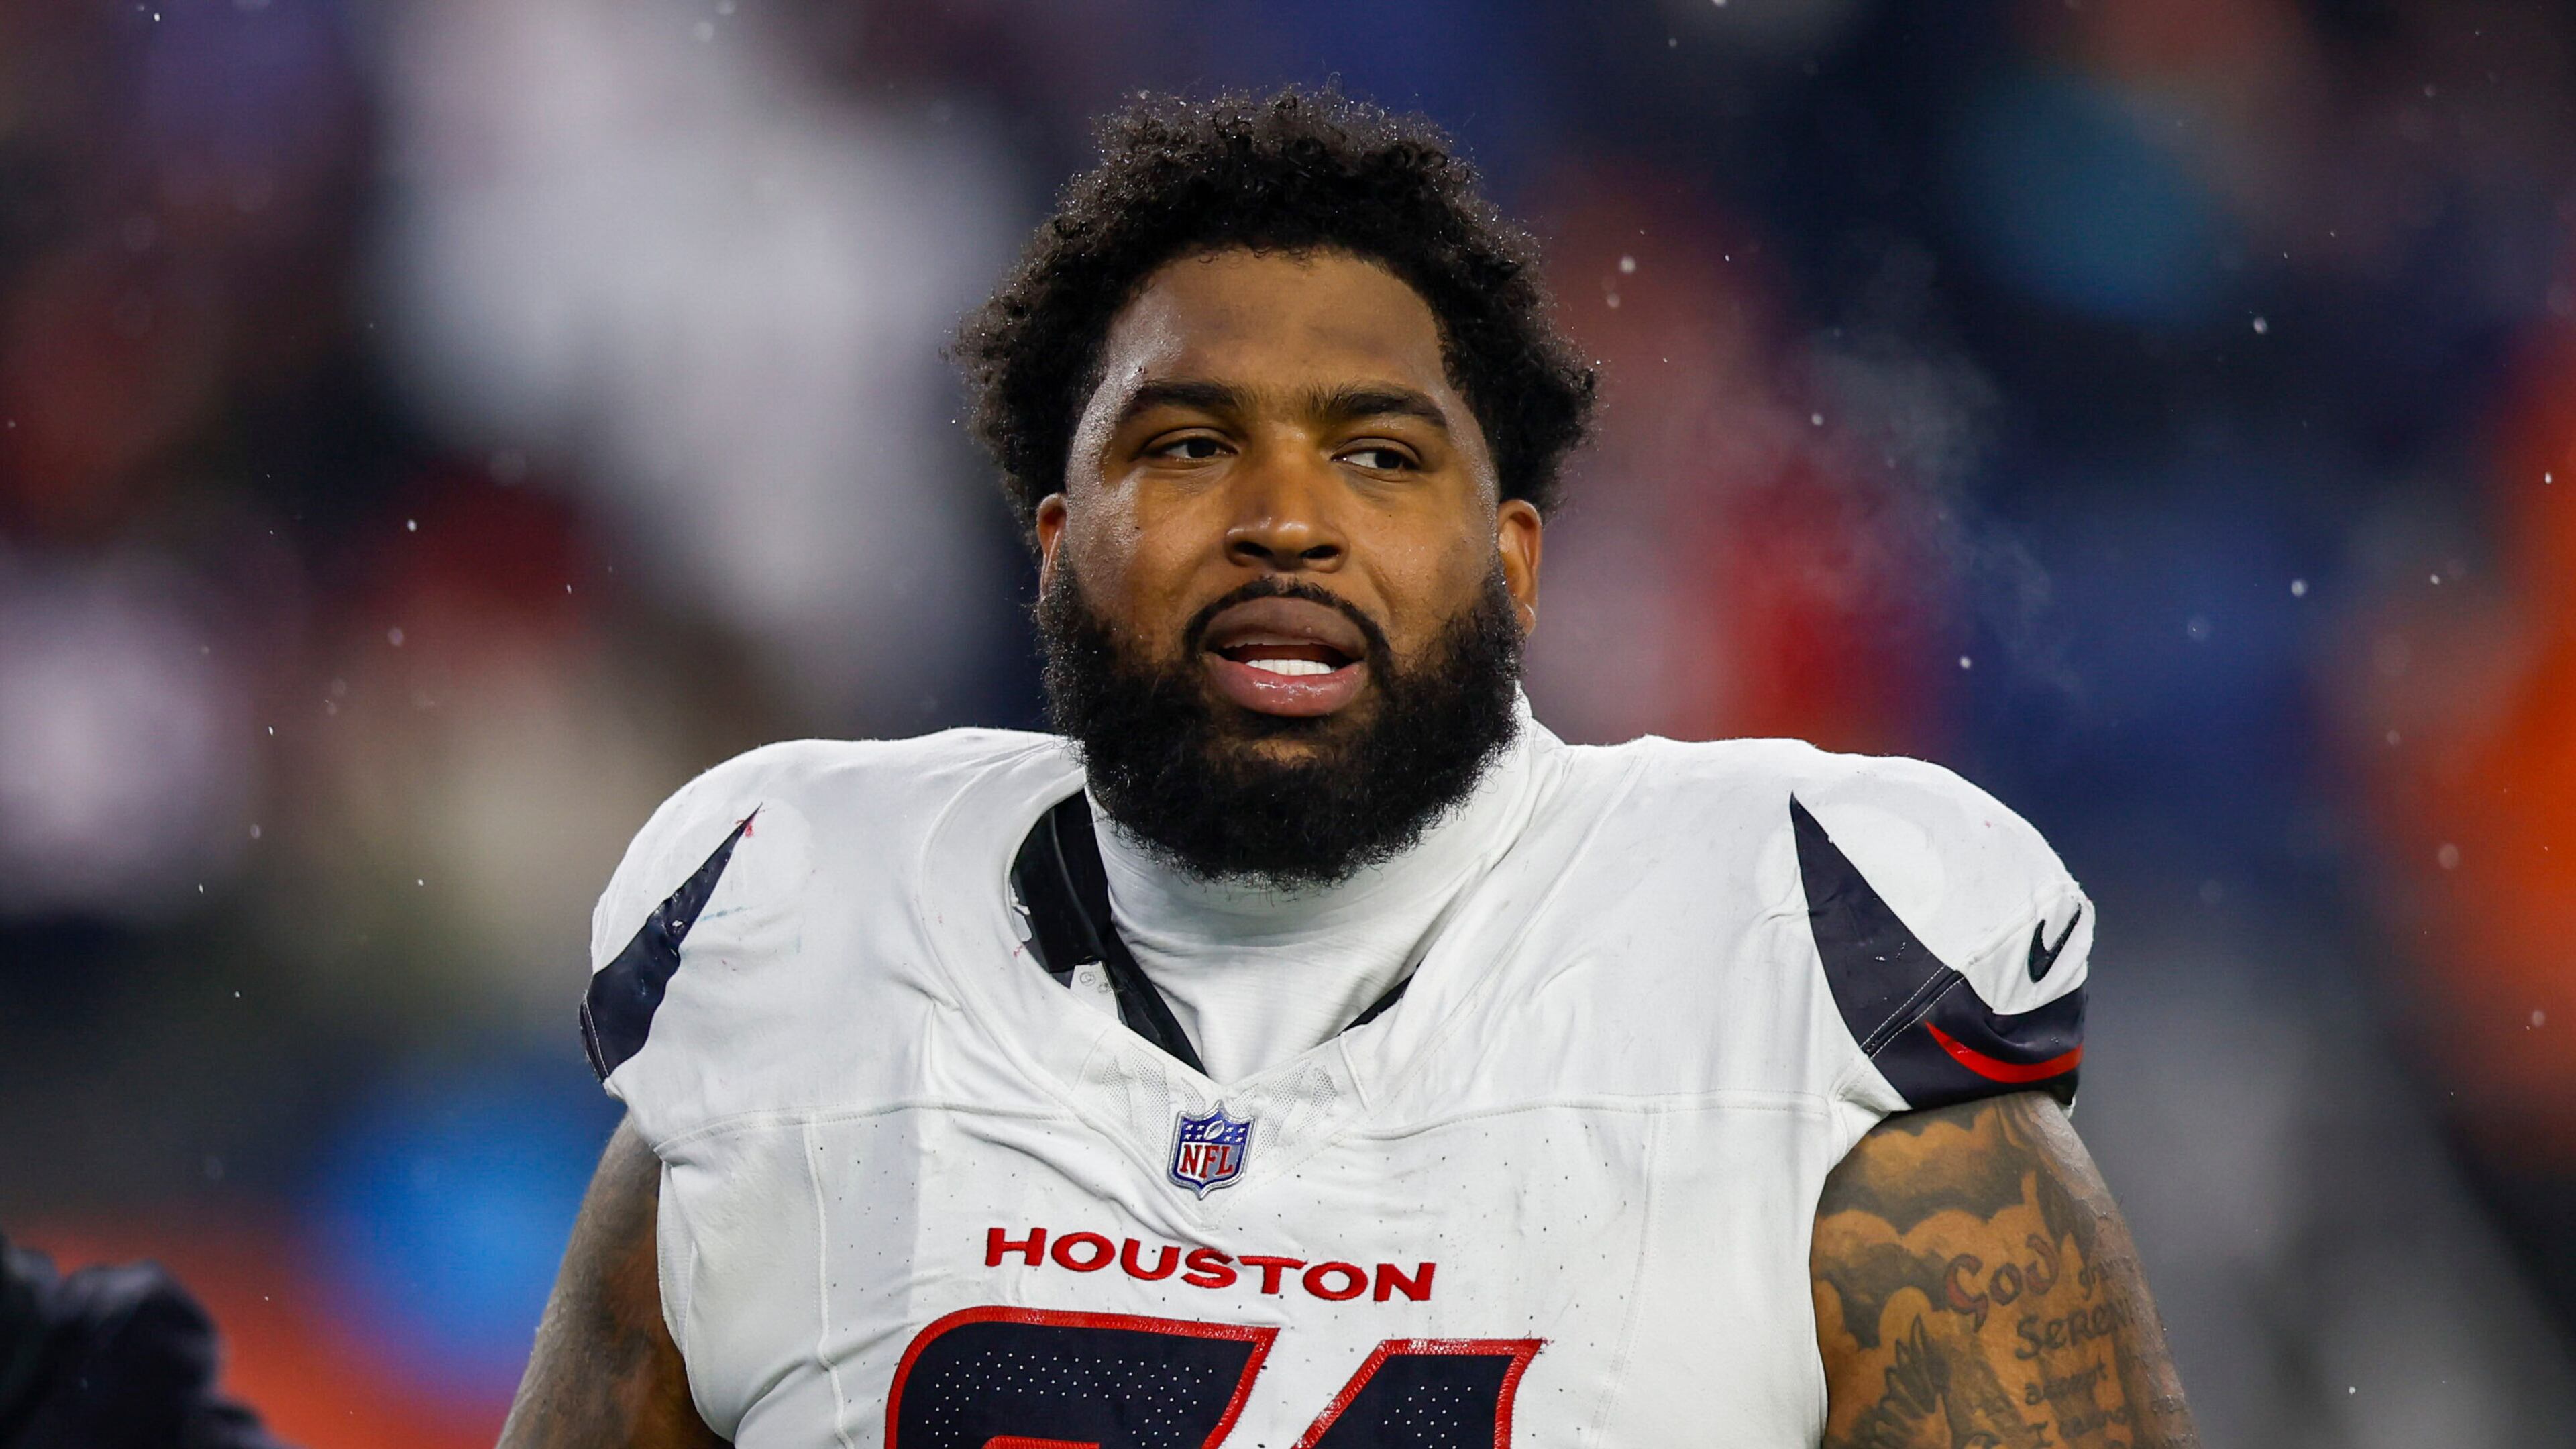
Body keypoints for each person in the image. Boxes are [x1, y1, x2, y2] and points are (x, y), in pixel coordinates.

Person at [500, 88, 2198, 1449]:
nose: (1286, 521)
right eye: (1187, 444)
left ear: (1517, 561)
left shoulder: (1804, 973)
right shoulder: (793, 963)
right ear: (1050, 543)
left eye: (1380, 455)